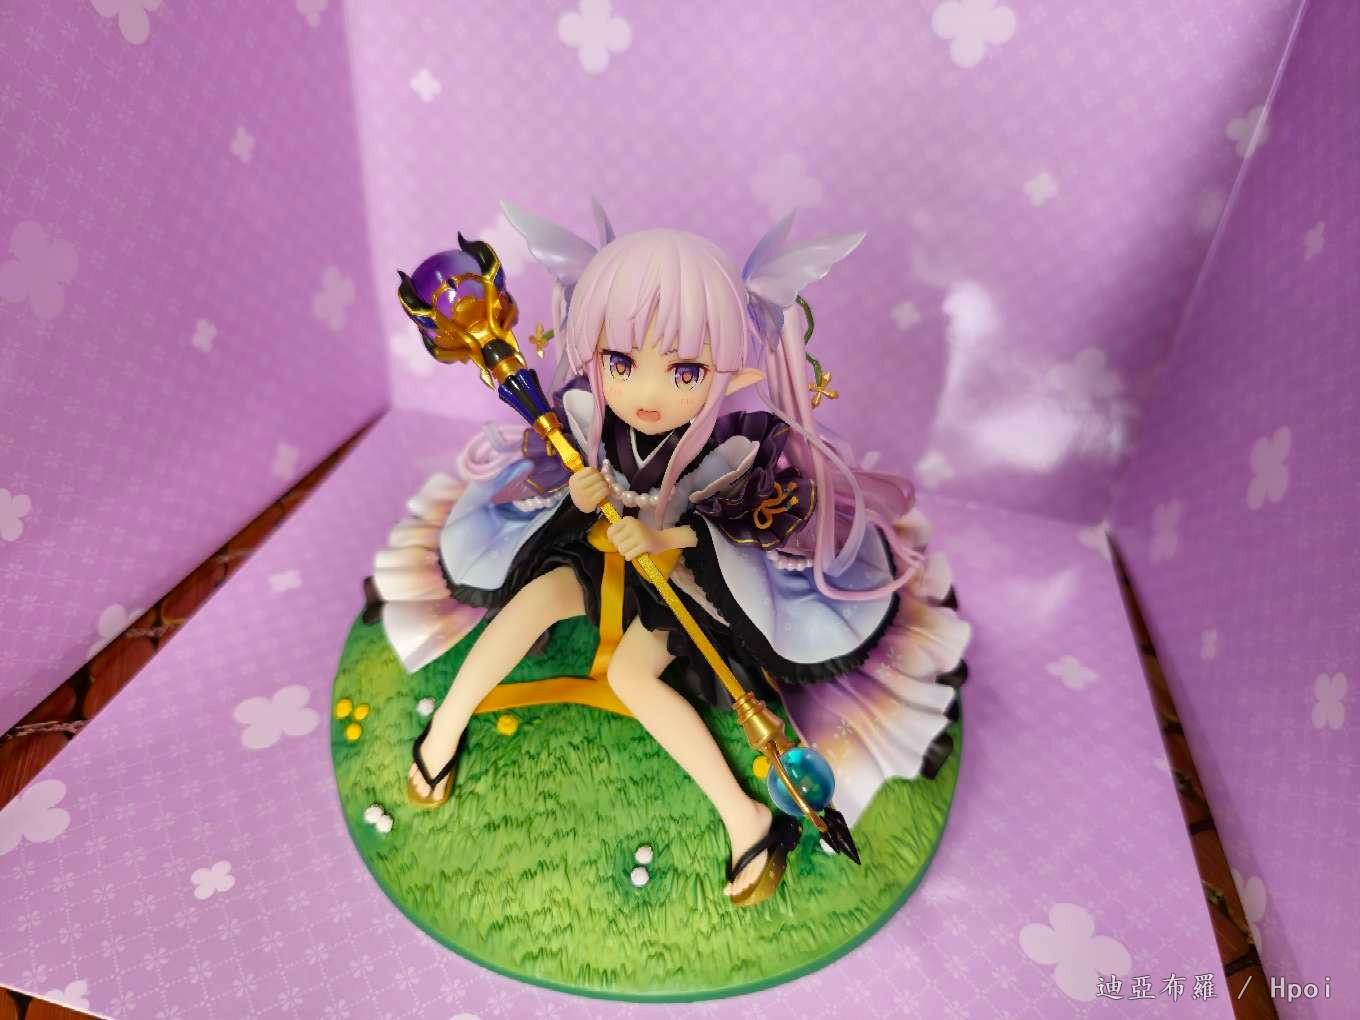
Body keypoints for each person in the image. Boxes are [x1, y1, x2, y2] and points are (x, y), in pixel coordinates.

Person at [370, 202, 970, 906]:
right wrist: (584, 488)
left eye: (685, 371)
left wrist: (667, 536)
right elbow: (569, 468)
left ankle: (748, 821)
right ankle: (441, 736)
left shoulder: (734, 444)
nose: (647, 393)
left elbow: (748, 518)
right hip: (603, 554)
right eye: (621, 363)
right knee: (528, 604)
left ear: (728, 371)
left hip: (683, 577)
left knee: (635, 677)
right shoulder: (588, 413)